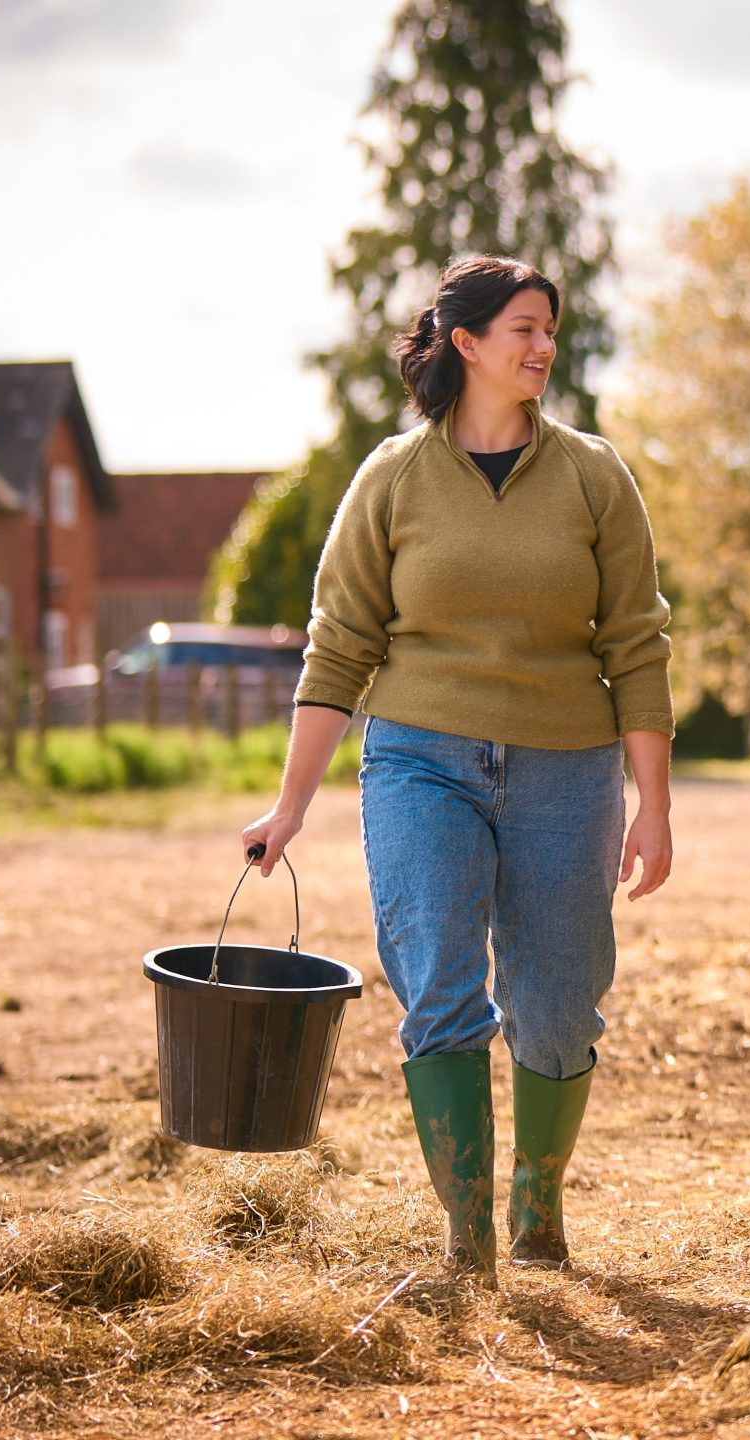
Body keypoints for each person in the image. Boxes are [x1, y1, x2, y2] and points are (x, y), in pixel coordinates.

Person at [240, 255, 675, 1285]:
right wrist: (290, 803)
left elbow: (637, 645)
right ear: (466, 342)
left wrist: (653, 805)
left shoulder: (593, 474)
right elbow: (338, 644)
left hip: (568, 764)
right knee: (438, 983)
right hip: (417, 759)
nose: (543, 348)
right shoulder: (391, 477)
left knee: (562, 999)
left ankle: (539, 1204)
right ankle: (465, 1237)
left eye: (550, 331)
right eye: (523, 329)